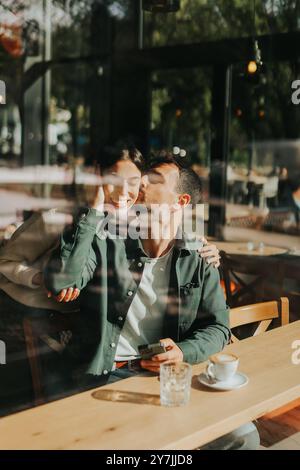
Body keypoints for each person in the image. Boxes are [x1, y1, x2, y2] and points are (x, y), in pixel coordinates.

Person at [45, 154, 260, 449]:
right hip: (109, 377)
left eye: (155, 179)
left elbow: (218, 329)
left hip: (170, 379)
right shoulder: (109, 241)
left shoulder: (198, 257)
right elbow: (61, 282)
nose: (141, 182)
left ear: (181, 202)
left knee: (244, 436)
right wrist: (94, 209)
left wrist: (182, 352)